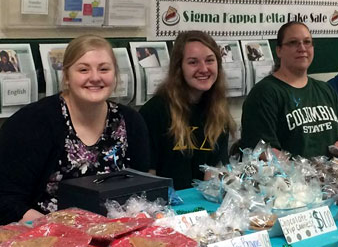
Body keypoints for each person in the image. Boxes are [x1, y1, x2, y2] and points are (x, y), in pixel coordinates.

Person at [0, 35, 150, 225]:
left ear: (115, 75)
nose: (95, 77)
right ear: (67, 76)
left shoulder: (131, 121)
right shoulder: (31, 122)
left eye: (104, 69)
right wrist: (63, 232)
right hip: (46, 238)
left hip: (117, 235)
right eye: (83, 69)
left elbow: (142, 192)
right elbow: (6, 200)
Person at [240, 21, 338, 158]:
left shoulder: (325, 90)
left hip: (331, 176)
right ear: (279, 50)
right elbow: (263, 151)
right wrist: (303, 170)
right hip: (290, 178)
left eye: (307, 42)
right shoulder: (264, 93)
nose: (302, 48)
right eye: (293, 42)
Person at [139, 31, 235, 190]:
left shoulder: (218, 111)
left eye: (210, 60)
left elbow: (216, 171)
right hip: (166, 208)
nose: (204, 68)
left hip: (204, 205)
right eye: (193, 62)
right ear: (179, 67)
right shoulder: (154, 111)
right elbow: (148, 176)